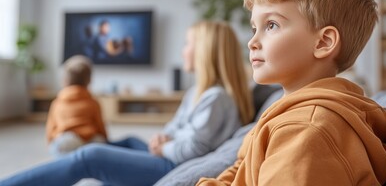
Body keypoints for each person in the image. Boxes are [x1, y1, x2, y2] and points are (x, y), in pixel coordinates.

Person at [197, 0, 386, 185]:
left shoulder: (305, 129)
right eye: (255, 28)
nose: (252, 42)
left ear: (323, 42)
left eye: (271, 25)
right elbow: (242, 171)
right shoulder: (289, 115)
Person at [0, 21, 254, 186]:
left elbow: (193, 149)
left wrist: (162, 147)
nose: (182, 50)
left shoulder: (217, 98)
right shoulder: (198, 91)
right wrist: (162, 138)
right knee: (130, 140)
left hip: (173, 164)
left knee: (91, 156)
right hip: (168, 153)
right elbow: (175, 126)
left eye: (188, 44)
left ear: (205, 51)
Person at [46, 55, 107, 157]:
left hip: (67, 141)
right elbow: (100, 125)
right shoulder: (93, 102)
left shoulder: (58, 102)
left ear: (65, 80)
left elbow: (51, 128)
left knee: (57, 146)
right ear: (89, 80)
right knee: (99, 141)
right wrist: (106, 140)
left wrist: (50, 143)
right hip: (90, 140)